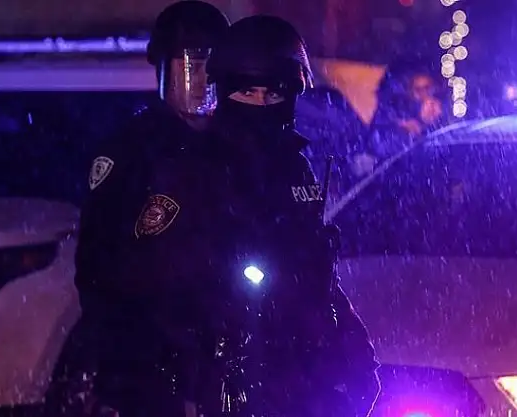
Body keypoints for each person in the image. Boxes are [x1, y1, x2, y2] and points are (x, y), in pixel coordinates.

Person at [43, 2, 229, 416]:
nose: (202, 80)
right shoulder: (132, 151)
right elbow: (99, 264)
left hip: (225, 357)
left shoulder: (236, 148)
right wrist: (136, 349)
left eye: (212, 67)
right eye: (190, 66)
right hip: (149, 364)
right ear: (163, 69)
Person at [203, 15, 381, 417]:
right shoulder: (198, 169)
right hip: (229, 373)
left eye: (273, 93)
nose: (260, 104)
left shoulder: (294, 166)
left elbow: (317, 267)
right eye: (247, 92)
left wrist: (353, 346)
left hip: (298, 368)